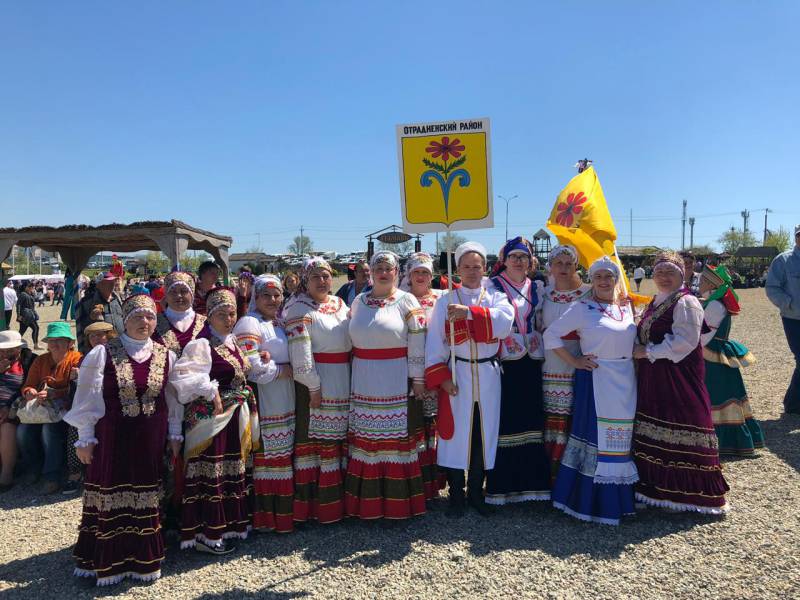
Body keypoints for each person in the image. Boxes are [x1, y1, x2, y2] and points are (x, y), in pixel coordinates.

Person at [64, 294, 181, 586]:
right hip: (113, 438)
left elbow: (172, 399)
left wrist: (174, 433)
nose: (145, 322)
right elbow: (88, 397)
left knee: (146, 492)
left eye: (150, 316)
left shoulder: (166, 355)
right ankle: (107, 561)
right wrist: (85, 437)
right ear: (124, 321)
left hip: (150, 438)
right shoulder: (102, 354)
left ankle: (142, 559)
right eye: (137, 316)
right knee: (111, 489)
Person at [632, 251, 729, 514]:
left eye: (670, 272)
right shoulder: (657, 301)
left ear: (682, 274)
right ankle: (655, 489)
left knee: (681, 420)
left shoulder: (687, 302)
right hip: (655, 375)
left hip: (678, 375)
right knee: (657, 424)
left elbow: (685, 342)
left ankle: (687, 495)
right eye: (659, 272)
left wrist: (647, 351)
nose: (664, 277)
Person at [544, 256, 639, 525]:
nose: (604, 281)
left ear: (616, 279)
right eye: (598, 276)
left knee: (621, 439)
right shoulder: (582, 307)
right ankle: (591, 502)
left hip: (625, 380)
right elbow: (550, 335)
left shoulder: (626, 307)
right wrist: (575, 361)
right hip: (596, 378)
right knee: (596, 438)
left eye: (609, 276)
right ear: (591, 280)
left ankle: (621, 500)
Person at [425, 242, 514, 517]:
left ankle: (476, 493)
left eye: (477, 266)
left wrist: (469, 314)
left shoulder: (495, 296)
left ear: (484, 268)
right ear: (458, 270)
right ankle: (456, 495)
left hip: (488, 374)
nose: (472, 271)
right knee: (455, 435)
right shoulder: (445, 300)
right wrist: (442, 378)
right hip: (458, 371)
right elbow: (435, 342)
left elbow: (504, 324)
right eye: (466, 267)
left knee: (481, 434)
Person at [172, 287, 257, 554]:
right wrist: (209, 388)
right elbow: (182, 377)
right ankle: (206, 534)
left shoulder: (232, 341)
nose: (228, 319)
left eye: (232, 313)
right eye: (221, 314)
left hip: (233, 417)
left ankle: (230, 526)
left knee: (232, 469)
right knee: (212, 471)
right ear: (209, 316)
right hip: (213, 420)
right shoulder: (202, 343)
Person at [345, 251, 427, 520]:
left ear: (397, 272)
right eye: (377, 267)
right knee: (367, 441)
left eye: (388, 268)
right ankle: (367, 503)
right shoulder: (358, 301)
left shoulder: (407, 300)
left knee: (394, 443)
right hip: (363, 378)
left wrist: (417, 378)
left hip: (395, 379)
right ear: (370, 271)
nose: (383, 272)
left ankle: (397, 504)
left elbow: (418, 341)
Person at [485, 237, 551, 506]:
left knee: (532, 417)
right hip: (506, 360)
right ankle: (504, 487)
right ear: (504, 260)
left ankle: (533, 485)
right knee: (508, 418)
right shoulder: (492, 286)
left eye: (523, 256)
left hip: (532, 360)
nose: (518, 261)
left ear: (530, 261)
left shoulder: (537, 287)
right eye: (513, 256)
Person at [284, 257, 351, 524]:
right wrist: (313, 386)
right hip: (318, 382)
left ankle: (343, 502)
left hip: (344, 378)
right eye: (315, 277)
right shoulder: (298, 309)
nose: (322, 281)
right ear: (305, 280)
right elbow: (300, 356)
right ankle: (320, 507)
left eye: (326, 276)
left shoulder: (339, 304)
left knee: (340, 440)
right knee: (320, 443)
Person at [233, 275, 296, 533]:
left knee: (282, 453)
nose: (272, 300)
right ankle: (266, 518)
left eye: (277, 295)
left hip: (284, 397)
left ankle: (283, 515)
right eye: (266, 295)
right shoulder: (249, 322)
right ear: (255, 298)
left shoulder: (278, 321)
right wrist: (282, 370)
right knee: (268, 455)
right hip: (266, 397)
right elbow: (250, 366)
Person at [699, 265, 764, 455]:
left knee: (716, 393)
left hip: (711, 355)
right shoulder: (713, 301)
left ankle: (719, 439)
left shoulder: (715, 305)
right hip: (714, 353)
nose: (699, 283)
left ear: (711, 284)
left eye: (702, 280)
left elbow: (704, 336)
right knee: (724, 393)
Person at [540, 245, 591, 482]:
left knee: (574, 421)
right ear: (550, 266)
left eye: (568, 264)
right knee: (551, 421)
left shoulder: (588, 293)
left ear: (576, 266)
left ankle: (571, 480)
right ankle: (549, 478)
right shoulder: (543, 295)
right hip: (549, 366)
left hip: (578, 366)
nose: (563, 268)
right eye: (558, 263)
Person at [17, 321, 82, 493]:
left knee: (49, 429)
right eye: (52, 340)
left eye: (60, 340)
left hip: (66, 409)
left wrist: (55, 393)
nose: (55, 343)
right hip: (41, 408)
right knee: (23, 431)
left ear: (70, 343)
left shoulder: (77, 359)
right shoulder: (41, 360)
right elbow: (28, 385)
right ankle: (33, 467)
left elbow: (78, 388)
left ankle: (51, 476)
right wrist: (29, 392)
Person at [403, 252, 444, 501]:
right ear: (409, 275)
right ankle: (417, 485)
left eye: (425, 272)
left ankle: (436, 485)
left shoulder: (442, 298)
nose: (421, 276)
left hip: (437, 370)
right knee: (415, 426)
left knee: (436, 427)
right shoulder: (401, 299)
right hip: (408, 372)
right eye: (416, 272)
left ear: (432, 276)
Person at [62, 321, 117, 495]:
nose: (96, 339)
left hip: (112, 403)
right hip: (90, 403)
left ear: (109, 335)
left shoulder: (119, 354)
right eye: (92, 336)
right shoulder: (85, 358)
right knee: (76, 427)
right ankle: (76, 473)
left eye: (100, 335)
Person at [765, 224, 800, 414]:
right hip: (793, 318)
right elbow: (772, 288)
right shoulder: (783, 260)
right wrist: (789, 304)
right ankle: (792, 403)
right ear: (795, 237)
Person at [0, 331, 35, 492]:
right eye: (2, 350)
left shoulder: (29, 362)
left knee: (7, 427)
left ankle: (6, 474)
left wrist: (9, 406)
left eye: (10, 350)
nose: (5, 354)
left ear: (19, 349)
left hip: (16, 408)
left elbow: (30, 386)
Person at [152, 272, 210, 357]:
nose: (179, 295)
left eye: (184, 291)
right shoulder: (153, 323)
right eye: (173, 291)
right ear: (166, 296)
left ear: (192, 295)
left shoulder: (207, 323)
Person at [75, 272, 124, 354]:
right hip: (99, 348)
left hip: (121, 345)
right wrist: (91, 318)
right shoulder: (87, 302)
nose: (111, 285)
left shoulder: (119, 299)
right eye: (106, 283)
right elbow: (81, 326)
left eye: (112, 282)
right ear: (98, 285)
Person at [17, 282, 40, 350]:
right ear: (26, 287)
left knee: (22, 331)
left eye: (32, 287)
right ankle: (35, 345)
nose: (32, 288)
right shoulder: (23, 294)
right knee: (35, 328)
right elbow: (18, 305)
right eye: (30, 287)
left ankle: (35, 345)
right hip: (25, 316)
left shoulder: (29, 294)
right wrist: (18, 315)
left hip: (30, 315)